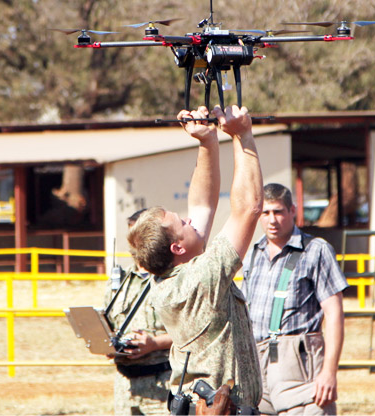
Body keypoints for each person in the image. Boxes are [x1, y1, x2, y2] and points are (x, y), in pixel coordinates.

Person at [127, 104, 264, 414]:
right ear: (177, 247)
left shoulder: (169, 275)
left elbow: (201, 205)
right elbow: (249, 209)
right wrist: (243, 135)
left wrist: (207, 142)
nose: (190, 221)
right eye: (182, 223)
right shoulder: (200, 278)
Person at [242, 183, 348, 415]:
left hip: (298, 363)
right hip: (256, 364)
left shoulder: (316, 250)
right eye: (266, 213)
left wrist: (329, 371)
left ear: (293, 211)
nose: (272, 220)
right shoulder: (252, 254)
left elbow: (334, 313)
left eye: (278, 212)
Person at [102, 209, 172, 415]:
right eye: (131, 236)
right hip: (125, 387)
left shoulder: (172, 280)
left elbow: (193, 333)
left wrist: (154, 344)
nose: (135, 245)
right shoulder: (120, 281)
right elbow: (109, 324)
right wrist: (107, 343)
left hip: (162, 386)